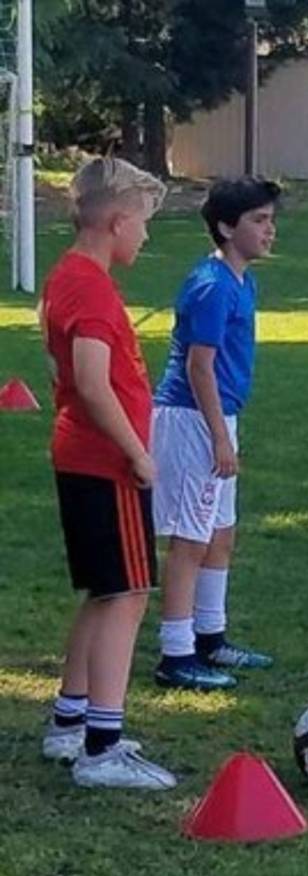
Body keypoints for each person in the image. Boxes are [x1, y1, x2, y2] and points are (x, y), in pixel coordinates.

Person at [39, 157, 177, 790]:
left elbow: (57, 367)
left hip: (81, 455)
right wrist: (138, 453)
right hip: (104, 461)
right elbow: (92, 384)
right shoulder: (90, 287)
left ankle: (71, 721)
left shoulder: (67, 276)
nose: (146, 237)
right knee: (128, 594)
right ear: (117, 223)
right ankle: (103, 747)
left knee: (103, 590)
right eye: (144, 224)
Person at [151, 177, 281, 690]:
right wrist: (219, 439)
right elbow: (198, 368)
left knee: (220, 535)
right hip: (191, 420)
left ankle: (211, 637)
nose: (270, 230)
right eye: (258, 220)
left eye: (271, 219)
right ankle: (176, 655)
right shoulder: (210, 285)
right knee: (190, 539)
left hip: (219, 416)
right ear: (227, 227)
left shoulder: (242, 280)